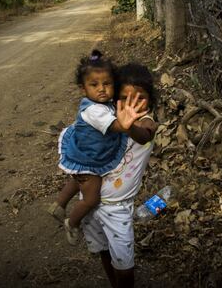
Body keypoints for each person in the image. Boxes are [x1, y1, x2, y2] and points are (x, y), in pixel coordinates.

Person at [53, 63, 158, 288]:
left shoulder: (146, 121)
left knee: (124, 265)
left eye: (140, 98)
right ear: (114, 99)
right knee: (103, 251)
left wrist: (129, 126)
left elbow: (144, 135)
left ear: (150, 100)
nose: (132, 104)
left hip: (118, 209)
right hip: (90, 203)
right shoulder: (108, 117)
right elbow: (87, 148)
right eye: (124, 97)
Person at [48, 51, 148, 246]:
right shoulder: (94, 110)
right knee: (91, 197)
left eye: (107, 84)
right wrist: (126, 124)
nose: (101, 89)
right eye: (94, 85)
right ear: (83, 89)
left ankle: (58, 205)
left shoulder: (102, 103)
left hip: (86, 152)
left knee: (79, 179)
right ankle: (73, 222)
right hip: (90, 158)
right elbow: (116, 126)